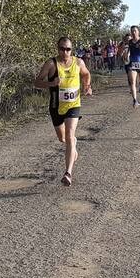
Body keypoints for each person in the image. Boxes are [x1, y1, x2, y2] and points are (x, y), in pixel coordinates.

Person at [33, 36, 93, 186]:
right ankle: (72, 148)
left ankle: (68, 173)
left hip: (73, 105)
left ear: (72, 50)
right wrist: (51, 83)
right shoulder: (51, 64)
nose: (65, 52)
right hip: (56, 106)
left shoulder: (78, 62)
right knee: (63, 139)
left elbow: (86, 74)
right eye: (62, 49)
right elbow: (36, 82)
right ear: (57, 49)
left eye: (68, 49)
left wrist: (87, 86)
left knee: (70, 134)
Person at [122, 25, 140, 107]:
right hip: (132, 64)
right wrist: (125, 55)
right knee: (132, 83)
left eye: (135, 31)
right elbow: (126, 51)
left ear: (138, 32)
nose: (133, 32)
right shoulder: (129, 42)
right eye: (132, 31)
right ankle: (135, 100)